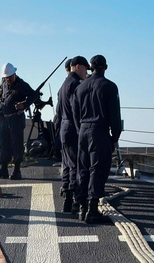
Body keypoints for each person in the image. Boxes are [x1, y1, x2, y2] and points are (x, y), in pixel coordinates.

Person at [73, 54, 122, 223]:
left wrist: (81, 130)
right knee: (97, 169)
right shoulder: (110, 87)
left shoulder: (79, 88)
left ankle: (82, 208)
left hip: (83, 131)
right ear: (105, 67)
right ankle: (92, 210)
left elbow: (75, 114)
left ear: (91, 68)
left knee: (83, 169)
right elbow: (115, 117)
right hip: (99, 132)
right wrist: (114, 138)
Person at [0, 63, 39, 180]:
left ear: (14, 74)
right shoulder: (3, 84)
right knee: (4, 144)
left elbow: (34, 95)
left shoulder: (22, 84)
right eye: (6, 77)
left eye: (9, 77)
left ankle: (17, 171)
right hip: (4, 119)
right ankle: (4, 169)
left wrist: (24, 104)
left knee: (16, 144)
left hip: (16, 119)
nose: (8, 79)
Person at [56, 56, 89, 214]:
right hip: (73, 128)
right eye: (85, 68)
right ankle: (77, 201)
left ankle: (68, 200)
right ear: (77, 67)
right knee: (77, 165)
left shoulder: (64, 84)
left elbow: (58, 111)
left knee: (68, 166)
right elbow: (79, 110)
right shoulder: (76, 85)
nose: (86, 71)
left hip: (64, 127)